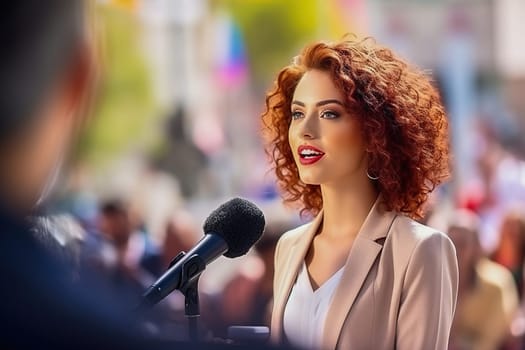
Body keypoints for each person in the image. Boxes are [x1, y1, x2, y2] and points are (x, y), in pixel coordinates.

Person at [262, 37, 458, 350]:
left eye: (329, 114)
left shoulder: (421, 251)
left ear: (375, 131)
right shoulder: (289, 248)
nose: (305, 130)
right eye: (298, 114)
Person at [443, 209, 518, 350]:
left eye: (462, 244)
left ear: (476, 248)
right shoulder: (436, 280)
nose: (455, 250)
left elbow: (489, 342)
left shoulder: (498, 285)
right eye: (450, 243)